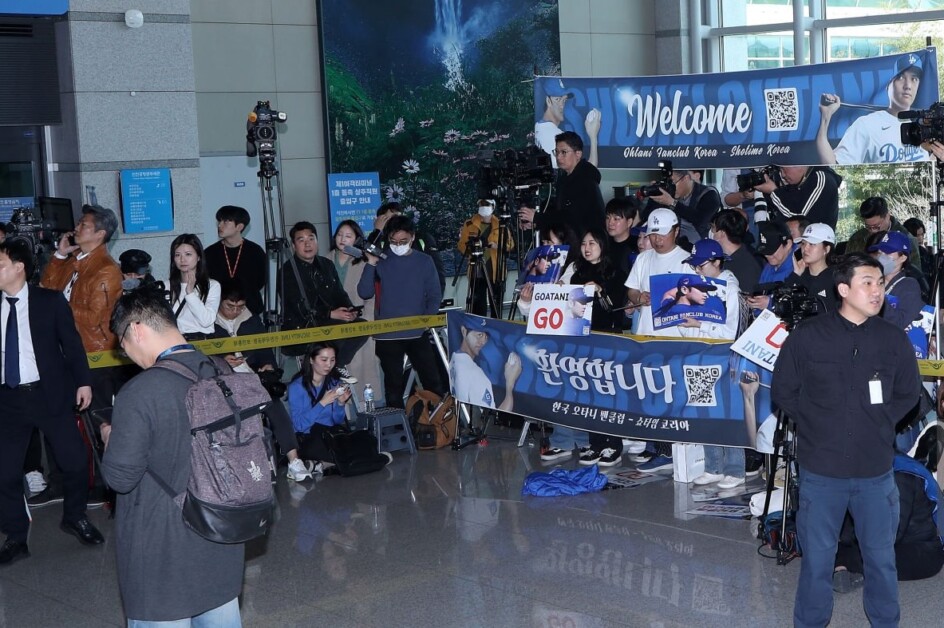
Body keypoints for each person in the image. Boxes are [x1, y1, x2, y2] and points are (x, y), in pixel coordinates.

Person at [771, 253, 922, 628]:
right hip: (822, 471)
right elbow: (783, 390)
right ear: (843, 289)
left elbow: (909, 392)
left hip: (875, 472)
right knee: (818, 561)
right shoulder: (808, 336)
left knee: (881, 559)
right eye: (867, 283)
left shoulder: (892, 340)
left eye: (880, 283)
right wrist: (815, 424)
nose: (877, 291)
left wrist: (883, 421)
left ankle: (886, 622)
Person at [102, 288, 244, 624]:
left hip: (163, 546)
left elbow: (121, 478)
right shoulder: (223, 371)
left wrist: (111, 438)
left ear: (136, 329)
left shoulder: (140, 391)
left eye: (123, 344)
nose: (128, 354)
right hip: (222, 533)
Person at [0, 240, 104, 566]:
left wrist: (84, 381)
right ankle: (16, 535)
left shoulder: (49, 301)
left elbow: (71, 345)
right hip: (8, 399)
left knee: (74, 461)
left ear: (19, 267)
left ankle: (75, 516)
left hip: (49, 394)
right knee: (5, 473)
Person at [213, 281, 315, 482]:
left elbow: (265, 352)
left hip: (252, 379)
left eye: (240, 307)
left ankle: (294, 461)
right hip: (223, 383)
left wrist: (267, 365)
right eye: (229, 307)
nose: (235, 311)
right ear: (218, 303)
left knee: (275, 405)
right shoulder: (207, 324)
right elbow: (201, 357)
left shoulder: (252, 321)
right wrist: (221, 360)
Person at [40, 204, 123, 424]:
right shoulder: (76, 258)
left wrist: (59, 306)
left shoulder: (106, 269)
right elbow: (46, 288)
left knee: (97, 419)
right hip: (67, 350)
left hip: (93, 354)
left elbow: (94, 317)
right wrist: (59, 255)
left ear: (100, 234)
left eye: (83, 225)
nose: (76, 228)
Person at [358, 214, 445, 408]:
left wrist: (426, 320)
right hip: (387, 336)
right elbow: (364, 292)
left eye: (403, 241)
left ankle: (439, 424)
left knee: (432, 381)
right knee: (394, 386)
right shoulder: (380, 260)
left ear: (413, 237)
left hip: (417, 332)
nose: (398, 245)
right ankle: (398, 430)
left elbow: (434, 295)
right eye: (393, 241)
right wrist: (370, 264)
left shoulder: (424, 261)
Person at [680, 239, 745, 488]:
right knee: (704, 410)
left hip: (724, 355)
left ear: (717, 262)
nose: (698, 270)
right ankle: (713, 465)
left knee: (728, 413)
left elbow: (731, 330)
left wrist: (700, 324)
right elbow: (686, 326)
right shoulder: (695, 285)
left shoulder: (730, 287)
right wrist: (686, 324)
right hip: (700, 354)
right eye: (695, 266)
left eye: (702, 265)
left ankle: (736, 469)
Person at [832, 453, 944, 592]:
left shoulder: (902, 474)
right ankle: (849, 570)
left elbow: (893, 532)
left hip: (923, 553)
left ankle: (845, 568)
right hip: (897, 543)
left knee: (850, 554)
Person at [817, 53, 944, 165]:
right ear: (888, 85)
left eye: (914, 79)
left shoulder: (923, 129)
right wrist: (825, 118)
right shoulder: (867, 124)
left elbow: (924, 178)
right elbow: (832, 166)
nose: (908, 86)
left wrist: (937, 159)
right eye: (901, 77)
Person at [287, 343, 391, 470]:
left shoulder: (332, 382)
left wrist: (340, 404)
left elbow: (336, 420)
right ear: (311, 360)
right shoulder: (297, 387)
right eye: (323, 360)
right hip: (309, 437)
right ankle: (371, 460)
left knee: (362, 442)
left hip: (330, 433)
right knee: (345, 455)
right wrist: (322, 403)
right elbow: (299, 426)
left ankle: (320, 465)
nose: (328, 365)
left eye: (332, 360)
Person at [279, 221, 365, 373]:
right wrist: (330, 313)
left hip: (328, 321)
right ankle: (328, 370)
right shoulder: (287, 271)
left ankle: (337, 366)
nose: (307, 244)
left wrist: (349, 310)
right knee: (338, 332)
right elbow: (297, 307)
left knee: (362, 326)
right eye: (301, 240)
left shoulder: (327, 264)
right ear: (293, 246)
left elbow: (339, 294)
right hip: (301, 326)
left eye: (311, 239)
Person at [329, 219, 383, 406]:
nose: (343, 239)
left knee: (361, 370)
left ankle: (364, 411)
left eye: (348, 236)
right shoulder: (325, 260)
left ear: (357, 239)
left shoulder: (363, 262)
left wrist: (366, 321)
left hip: (359, 325)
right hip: (333, 323)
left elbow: (371, 297)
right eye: (340, 235)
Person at [518, 131, 605, 238]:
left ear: (578, 154)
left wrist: (537, 218)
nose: (558, 157)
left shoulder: (586, 180)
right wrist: (536, 222)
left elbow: (571, 216)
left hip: (587, 242)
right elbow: (560, 211)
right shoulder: (564, 179)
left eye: (564, 152)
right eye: (557, 152)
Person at [365, 202, 445, 293]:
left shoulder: (422, 239)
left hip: (421, 298)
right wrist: (377, 231)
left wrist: (434, 302)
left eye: (398, 217)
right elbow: (368, 255)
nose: (396, 222)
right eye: (390, 219)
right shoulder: (382, 242)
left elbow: (438, 274)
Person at [204, 205, 268, 316]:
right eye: (219, 221)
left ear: (239, 226)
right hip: (218, 312)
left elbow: (261, 281)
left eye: (226, 221)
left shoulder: (255, 251)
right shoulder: (210, 253)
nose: (220, 225)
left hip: (250, 309)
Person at [457, 199, 514, 317]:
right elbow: (462, 245)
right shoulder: (469, 224)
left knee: (496, 306)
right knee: (478, 306)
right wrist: (472, 248)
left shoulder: (501, 225)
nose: (483, 207)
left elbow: (510, 245)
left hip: (496, 270)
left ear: (493, 206)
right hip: (477, 270)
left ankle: (497, 329)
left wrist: (496, 246)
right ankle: (479, 330)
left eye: (486, 204)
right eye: (481, 204)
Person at [449, 320, 521, 411]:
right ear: (464, 331)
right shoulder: (477, 375)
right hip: (470, 422)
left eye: (486, 336)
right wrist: (510, 384)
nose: (483, 341)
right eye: (479, 335)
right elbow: (492, 419)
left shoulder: (455, 356)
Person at [534, 78, 601, 169]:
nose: (562, 105)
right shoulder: (557, 136)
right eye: (557, 99)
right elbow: (587, 172)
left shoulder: (537, 126)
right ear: (548, 101)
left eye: (564, 100)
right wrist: (593, 137)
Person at [751, 165, 842, 229]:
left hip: (815, 248)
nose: (782, 175)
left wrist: (773, 192)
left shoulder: (821, 179)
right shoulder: (805, 181)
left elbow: (796, 216)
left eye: (783, 168)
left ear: (797, 163)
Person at [868, 231, 925, 331]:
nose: (881, 257)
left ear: (903, 257)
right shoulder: (873, 281)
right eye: (880, 252)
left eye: (887, 252)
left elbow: (901, 323)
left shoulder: (909, 285)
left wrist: (878, 298)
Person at [646, 168, 722, 242]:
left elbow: (700, 220)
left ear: (686, 178)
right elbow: (647, 218)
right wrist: (655, 195)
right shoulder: (668, 194)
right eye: (667, 183)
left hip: (698, 247)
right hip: (669, 244)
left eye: (672, 183)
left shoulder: (708, 194)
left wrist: (672, 203)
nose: (670, 186)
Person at [844, 197, 921, 269]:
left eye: (876, 226)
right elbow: (847, 268)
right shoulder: (857, 239)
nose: (873, 230)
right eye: (868, 227)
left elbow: (914, 274)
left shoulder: (906, 239)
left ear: (887, 216)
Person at [169, 234, 221, 340]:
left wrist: (190, 293)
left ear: (198, 257)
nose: (182, 259)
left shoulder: (212, 286)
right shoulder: (166, 286)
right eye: (177, 255)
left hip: (203, 342)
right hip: (176, 342)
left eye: (188, 254)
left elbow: (206, 321)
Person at [783, 223, 839, 314]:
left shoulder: (836, 279)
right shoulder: (800, 277)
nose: (805, 248)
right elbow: (783, 302)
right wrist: (796, 274)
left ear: (827, 249)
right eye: (803, 243)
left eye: (812, 244)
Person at [745, 221, 797, 313]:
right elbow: (760, 291)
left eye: (772, 251)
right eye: (765, 251)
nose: (768, 255)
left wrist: (771, 304)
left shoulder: (800, 266)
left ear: (788, 244)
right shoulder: (770, 265)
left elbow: (799, 302)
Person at [709, 209, 761, 293]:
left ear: (722, 233)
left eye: (713, 228)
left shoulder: (746, 266)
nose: (711, 232)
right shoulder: (723, 258)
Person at [604, 196, 639, 279]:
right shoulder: (603, 244)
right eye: (608, 218)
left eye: (616, 219)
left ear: (629, 222)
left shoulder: (637, 246)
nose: (610, 223)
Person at [902, 217, 934, 286]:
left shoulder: (924, 251)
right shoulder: (902, 253)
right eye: (916, 235)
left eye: (922, 234)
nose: (920, 238)